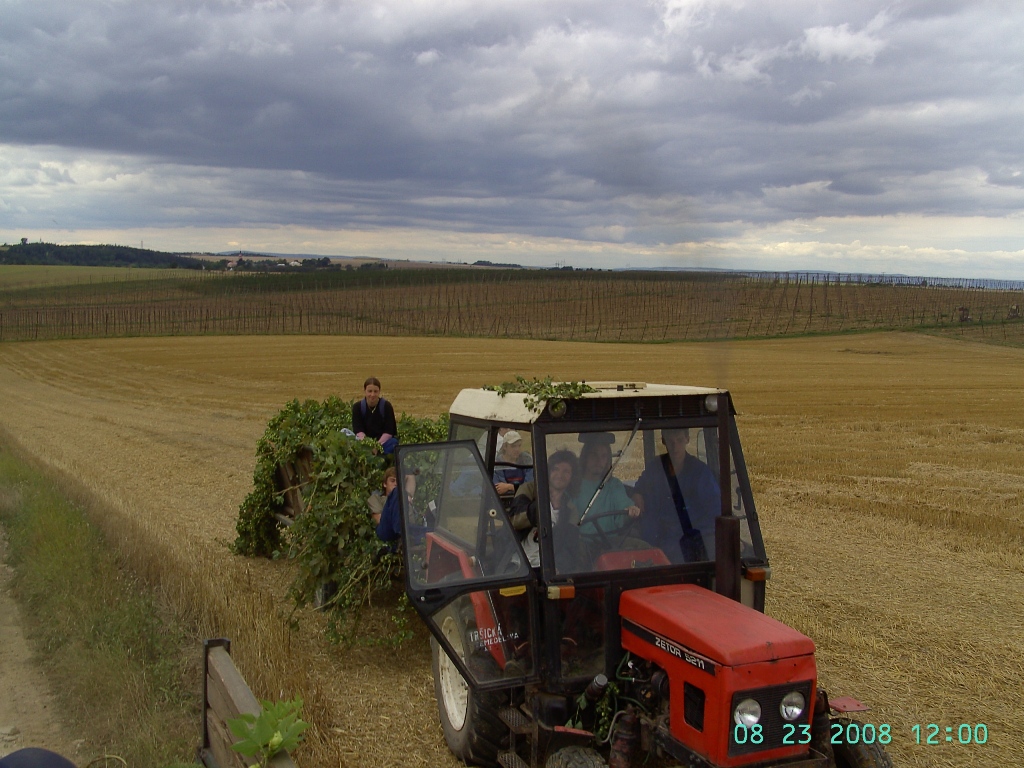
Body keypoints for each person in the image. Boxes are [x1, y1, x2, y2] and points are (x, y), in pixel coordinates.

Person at [634, 428, 721, 563]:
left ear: (687, 439)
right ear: (663, 441)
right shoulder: (655, 468)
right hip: (653, 541)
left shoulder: (700, 473)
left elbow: (715, 511)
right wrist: (637, 493)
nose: (675, 447)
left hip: (685, 546)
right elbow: (641, 485)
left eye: (679, 441)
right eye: (671, 441)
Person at [510, 449, 581, 571]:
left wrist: (559, 568)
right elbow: (514, 520)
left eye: (566, 471)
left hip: (548, 567)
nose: (560, 475)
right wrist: (541, 503)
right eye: (556, 469)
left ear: (572, 477)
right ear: (548, 472)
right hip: (517, 561)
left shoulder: (571, 510)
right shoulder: (529, 490)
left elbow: (570, 547)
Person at [574, 432, 640, 520]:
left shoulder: (614, 485)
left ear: (608, 459)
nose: (599, 460)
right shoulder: (574, 485)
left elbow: (623, 503)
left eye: (603, 456)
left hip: (612, 534)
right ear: (585, 457)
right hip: (579, 534)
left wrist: (631, 509)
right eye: (594, 455)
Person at [351, 377, 399, 455]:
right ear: (365, 391)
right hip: (364, 443)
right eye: (369, 391)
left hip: (382, 444)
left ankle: (379, 457)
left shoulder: (386, 406)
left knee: (393, 443)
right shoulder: (357, 407)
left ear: (379, 392)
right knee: (344, 432)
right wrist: (369, 445)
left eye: (375, 391)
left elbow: (389, 432)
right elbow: (358, 431)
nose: (372, 395)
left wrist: (377, 446)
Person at [492, 430, 534, 496]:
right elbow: (499, 489)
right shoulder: (497, 464)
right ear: (505, 447)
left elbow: (530, 487)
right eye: (513, 446)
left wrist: (510, 487)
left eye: (519, 446)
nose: (517, 449)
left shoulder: (527, 460)